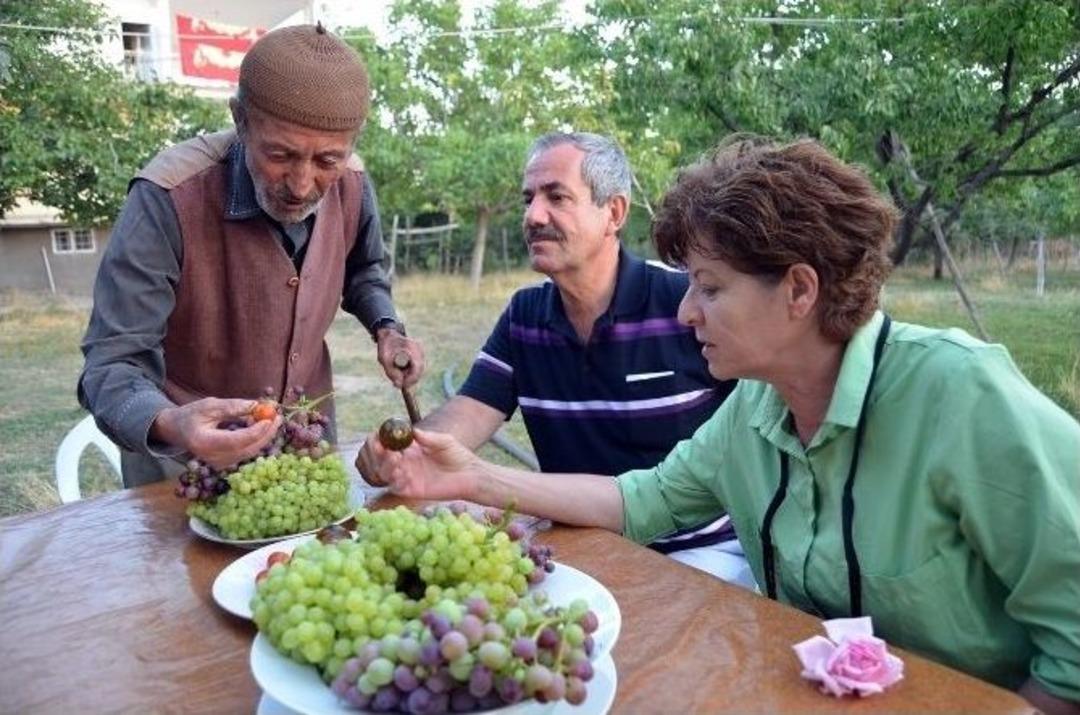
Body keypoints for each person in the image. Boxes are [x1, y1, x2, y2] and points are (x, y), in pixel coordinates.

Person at [370, 138, 1080, 714]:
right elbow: (640, 501)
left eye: (710, 287)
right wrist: (472, 475)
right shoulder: (754, 405)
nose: (686, 313)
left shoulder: (960, 394)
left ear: (799, 289)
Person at [359, 132, 751, 586]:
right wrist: (406, 451)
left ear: (615, 212)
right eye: (528, 199)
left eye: (556, 197)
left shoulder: (686, 304)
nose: (533, 215)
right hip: (576, 543)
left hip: (695, 554)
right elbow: (468, 413)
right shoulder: (524, 317)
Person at [78, 24, 424, 487]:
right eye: (280, 154)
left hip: (305, 447)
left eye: (327, 161)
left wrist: (387, 328)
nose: (302, 185)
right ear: (240, 120)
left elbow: (364, 271)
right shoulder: (167, 197)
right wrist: (172, 423)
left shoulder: (354, 185)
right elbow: (112, 364)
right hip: (183, 469)